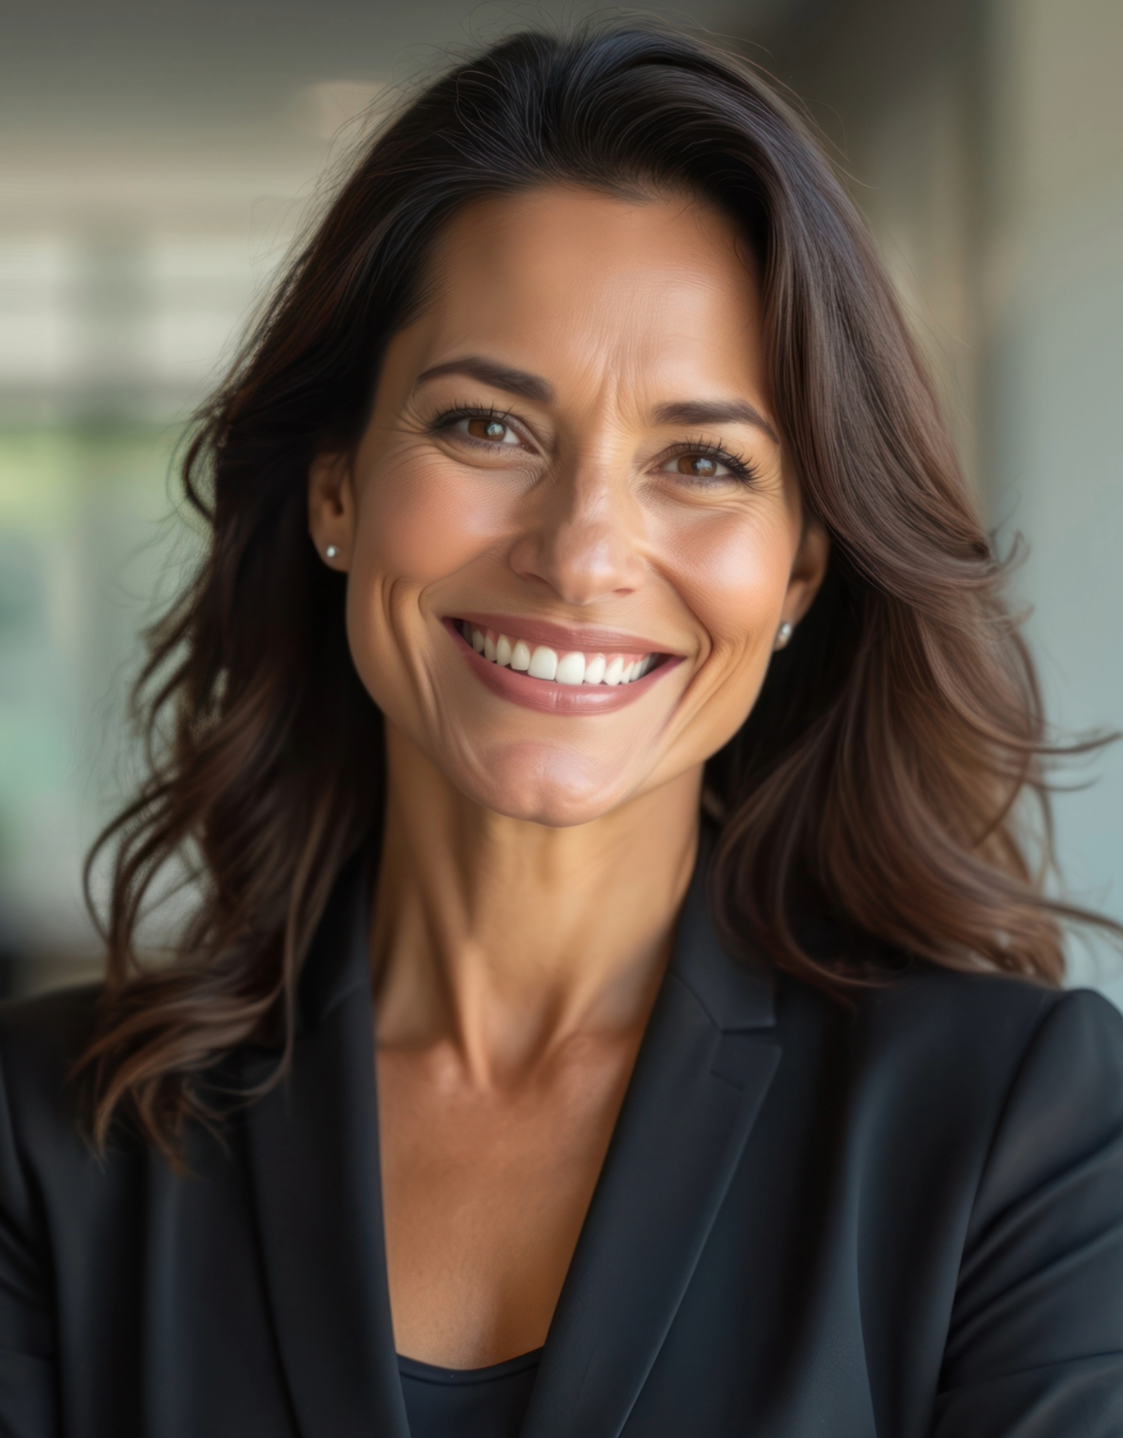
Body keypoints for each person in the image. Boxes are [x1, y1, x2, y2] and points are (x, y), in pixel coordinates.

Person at [1, 24, 1121, 1438]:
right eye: (485, 427)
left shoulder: (1010, 1127)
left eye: (702, 461)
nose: (583, 550)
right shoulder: (53, 1131)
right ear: (336, 488)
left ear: (799, 570)